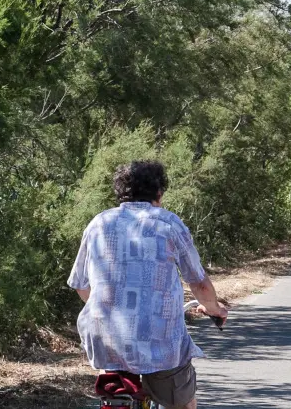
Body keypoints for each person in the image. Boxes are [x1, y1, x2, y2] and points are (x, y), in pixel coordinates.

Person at [67, 160, 227, 409]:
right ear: (159, 193)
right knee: (183, 403)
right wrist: (215, 309)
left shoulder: (98, 223)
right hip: (161, 345)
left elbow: (81, 286)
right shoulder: (168, 223)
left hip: (107, 342)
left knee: (114, 392)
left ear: (120, 193)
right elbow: (200, 285)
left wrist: (112, 306)